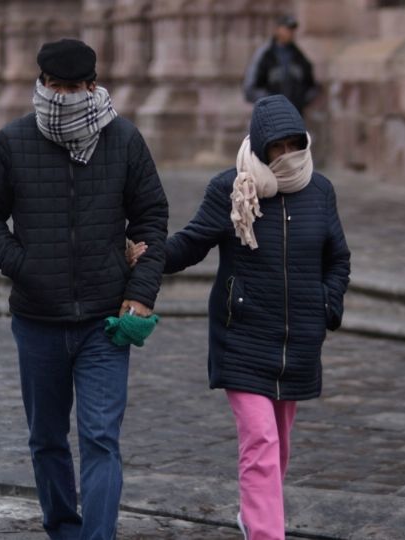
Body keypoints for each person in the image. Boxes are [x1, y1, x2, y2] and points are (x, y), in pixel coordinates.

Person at [0, 38, 169, 540]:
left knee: (101, 438)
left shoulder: (124, 139)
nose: (65, 97)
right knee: (47, 438)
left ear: (92, 86)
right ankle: (63, 528)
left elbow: (151, 218)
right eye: (55, 87)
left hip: (105, 321)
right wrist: (23, 264)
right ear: (41, 84)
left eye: (74, 88)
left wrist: (141, 291)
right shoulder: (13, 141)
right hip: (37, 319)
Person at [128, 95, 350, 540]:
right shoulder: (231, 188)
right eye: (278, 147)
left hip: (298, 342)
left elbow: (338, 259)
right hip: (243, 337)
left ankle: (254, 513)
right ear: (262, 145)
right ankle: (267, 533)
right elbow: (192, 243)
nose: (287, 155)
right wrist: (149, 256)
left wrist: (328, 306)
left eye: (294, 144)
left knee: (279, 445)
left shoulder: (320, 190)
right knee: (262, 442)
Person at [243, 15, 319, 115]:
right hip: (270, 117)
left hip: (294, 116)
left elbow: (312, 86)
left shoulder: (299, 57)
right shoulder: (265, 55)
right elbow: (250, 89)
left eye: (292, 30)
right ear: (277, 29)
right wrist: (270, 102)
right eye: (287, 28)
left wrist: (301, 101)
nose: (290, 33)